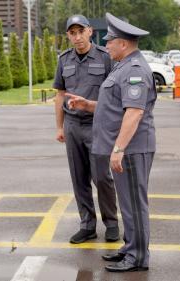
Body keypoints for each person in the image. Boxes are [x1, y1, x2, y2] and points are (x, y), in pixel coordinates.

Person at [67, 12, 156, 272]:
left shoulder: (135, 69)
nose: (106, 45)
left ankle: (138, 257)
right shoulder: (122, 67)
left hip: (132, 148)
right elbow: (113, 108)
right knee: (127, 203)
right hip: (124, 148)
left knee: (135, 204)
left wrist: (118, 148)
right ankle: (130, 248)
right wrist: (87, 104)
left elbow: (134, 112)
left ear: (124, 44)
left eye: (111, 41)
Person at [53, 14, 119, 244]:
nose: (77, 36)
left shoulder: (105, 57)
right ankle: (87, 225)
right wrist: (59, 127)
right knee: (78, 178)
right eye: (72, 33)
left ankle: (111, 222)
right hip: (72, 126)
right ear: (68, 36)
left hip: (96, 125)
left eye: (81, 31)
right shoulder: (64, 60)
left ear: (90, 31)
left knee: (101, 177)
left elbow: (114, 93)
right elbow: (59, 94)